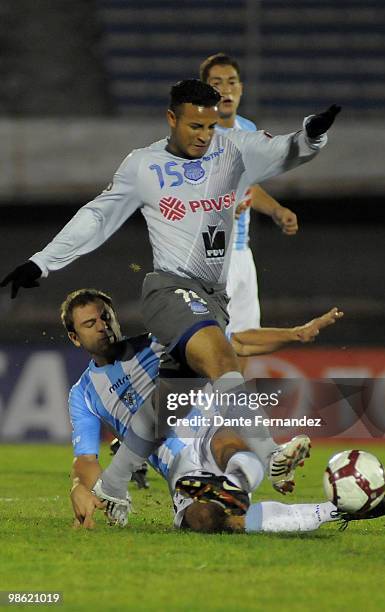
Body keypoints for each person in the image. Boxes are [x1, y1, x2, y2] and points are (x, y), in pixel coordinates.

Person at [2, 79, 341, 489]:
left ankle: (113, 484)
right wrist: (42, 262)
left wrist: (312, 134)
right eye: (194, 126)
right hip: (169, 290)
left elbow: (285, 151)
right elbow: (98, 216)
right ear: (171, 119)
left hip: (214, 297)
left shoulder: (234, 151)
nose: (203, 136)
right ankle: (270, 453)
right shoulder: (143, 166)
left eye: (210, 126)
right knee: (220, 355)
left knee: (165, 408)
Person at [64, 288, 344, 528]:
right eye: (90, 324)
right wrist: (81, 488)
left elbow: (234, 342)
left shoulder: (159, 342)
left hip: (211, 432)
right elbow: (86, 459)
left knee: (231, 441)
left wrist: (297, 334)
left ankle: (251, 473)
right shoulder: (83, 394)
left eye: (106, 317)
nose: (102, 326)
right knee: (207, 520)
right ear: (75, 337)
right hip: (178, 466)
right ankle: (328, 509)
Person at [200, 53, 299, 333]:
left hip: (242, 251)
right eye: (216, 83)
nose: (225, 89)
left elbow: (247, 185)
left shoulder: (248, 129)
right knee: (213, 345)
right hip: (212, 253)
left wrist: (276, 210)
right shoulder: (198, 136)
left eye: (231, 82)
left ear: (241, 89)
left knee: (244, 341)